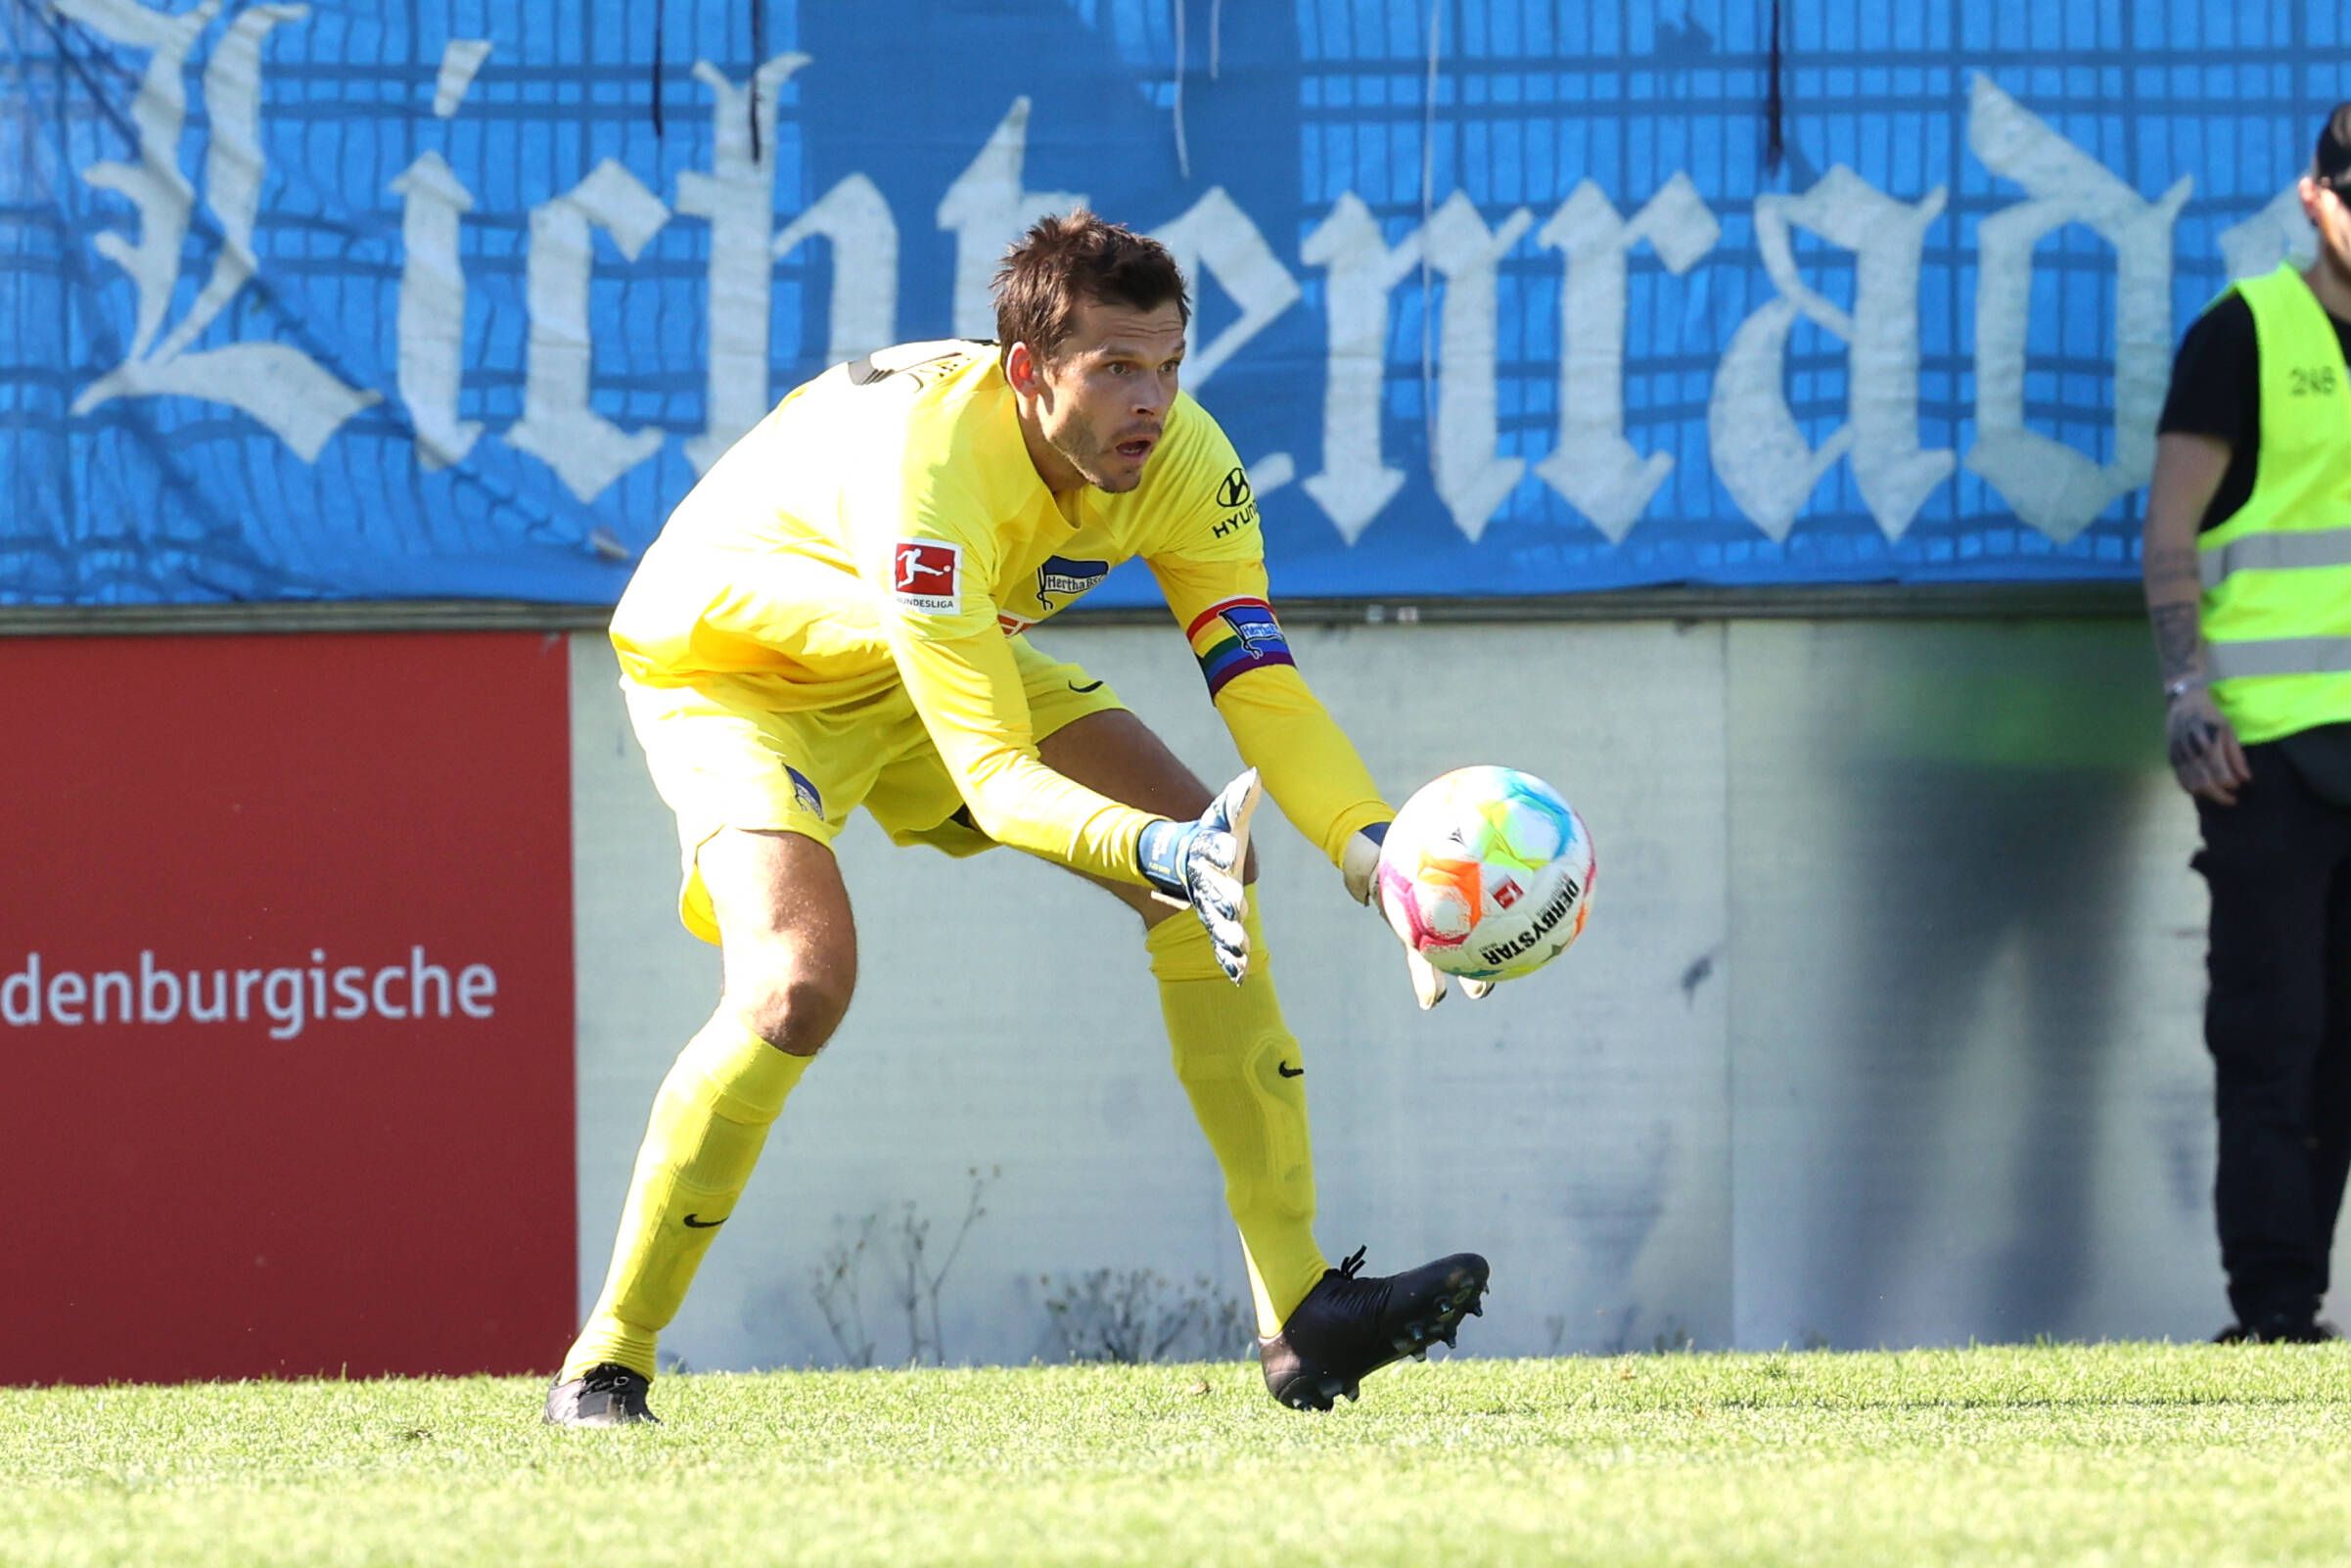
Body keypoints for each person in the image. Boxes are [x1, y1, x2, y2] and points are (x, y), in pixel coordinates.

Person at [544, 212, 1489, 1425]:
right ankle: (607, 1358)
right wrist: (1165, 851)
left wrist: (1376, 852)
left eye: (1167, 365)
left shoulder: (1185, 461)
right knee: (796, 983)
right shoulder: (930, 468)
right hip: (736, 676)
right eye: (1115, 368)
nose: (1151, 401)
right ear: (1030, 371)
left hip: (928, 654)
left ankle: (1301, 1313)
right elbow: (993, 775)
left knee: (1214, 870)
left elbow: (1258, 680)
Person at [2143, 104, 2351, 1345]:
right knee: (2274, 1039)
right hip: (2267, 757)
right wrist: (2186, 695)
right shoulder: (2245, 334)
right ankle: (2274, 1314)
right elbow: (2171, 534)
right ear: (2315, 197)